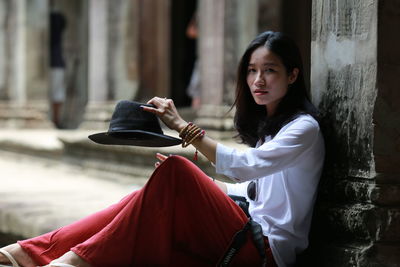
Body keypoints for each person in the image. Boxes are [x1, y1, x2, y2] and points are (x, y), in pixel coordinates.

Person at [0, 31, 324, 267]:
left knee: (177, 170)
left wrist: (183, 127)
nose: (258, 80)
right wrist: (198, 185)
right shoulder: (273, 131)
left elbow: (245, 165)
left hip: (264, 251)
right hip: (244, 229)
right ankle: (28, 253)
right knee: (152, 190)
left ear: (293, 74)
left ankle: (73, 262)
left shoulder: (304, 129)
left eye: (270, 70)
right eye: (252, 70)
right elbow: (251, 189)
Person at [49, 4, 67, 128]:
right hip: (55, 61)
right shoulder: (58, 17)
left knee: (57, 93)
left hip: (55, 62)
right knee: (57, 93)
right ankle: (55, 120)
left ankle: (56, 120)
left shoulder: (56, 17)